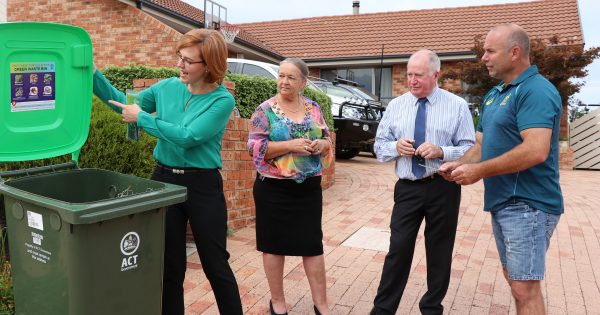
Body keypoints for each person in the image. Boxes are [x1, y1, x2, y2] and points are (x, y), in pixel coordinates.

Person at [92, 29, 243, 315]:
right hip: (163, 181)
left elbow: (189, 136)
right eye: (180, 57)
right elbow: (123, 104)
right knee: (168, 265)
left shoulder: (222, 101)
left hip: (202, 186)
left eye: (188, 60)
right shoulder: (166, 88)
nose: (180, 65)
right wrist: (91, 73)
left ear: (209, 65)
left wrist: (144, 119)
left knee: (215, 263)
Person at [440, 24, 563, 315]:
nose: (484, 57)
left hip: (529, 203)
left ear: (515, 52)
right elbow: (481, 144)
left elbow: (536, 149)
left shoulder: (536, 91)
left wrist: (479, 172)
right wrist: (459, 163)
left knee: (524, 288)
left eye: (490, 51)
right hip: (504, 202)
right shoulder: (495, 95)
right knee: (517, 282)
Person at [371, 49, 475, 315]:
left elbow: (469, 148)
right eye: (409, 75)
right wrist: (396, 146)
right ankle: (382, 310)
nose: (412, 80)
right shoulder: (396, 106)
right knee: (398, 249)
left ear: (436, 75)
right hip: (407, 188)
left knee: (439, 252)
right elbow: (379, 148)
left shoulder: (457, 106)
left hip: (443, 187)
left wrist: (442, 151)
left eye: (419, 75)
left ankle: (431, 308)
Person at [247, 58, 333, 315]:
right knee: (273, 245)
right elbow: (253, 147)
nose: (284, 81)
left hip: (308, 189)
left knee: (312, 246)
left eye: (291, 77)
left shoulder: (314, 108)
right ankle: (278, 302)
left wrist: (321, 145)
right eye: (281, 76)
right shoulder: (265, 110)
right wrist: (290, 145)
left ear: (303, 83)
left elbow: (327, 138)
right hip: (273, 189)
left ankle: (322, 305)